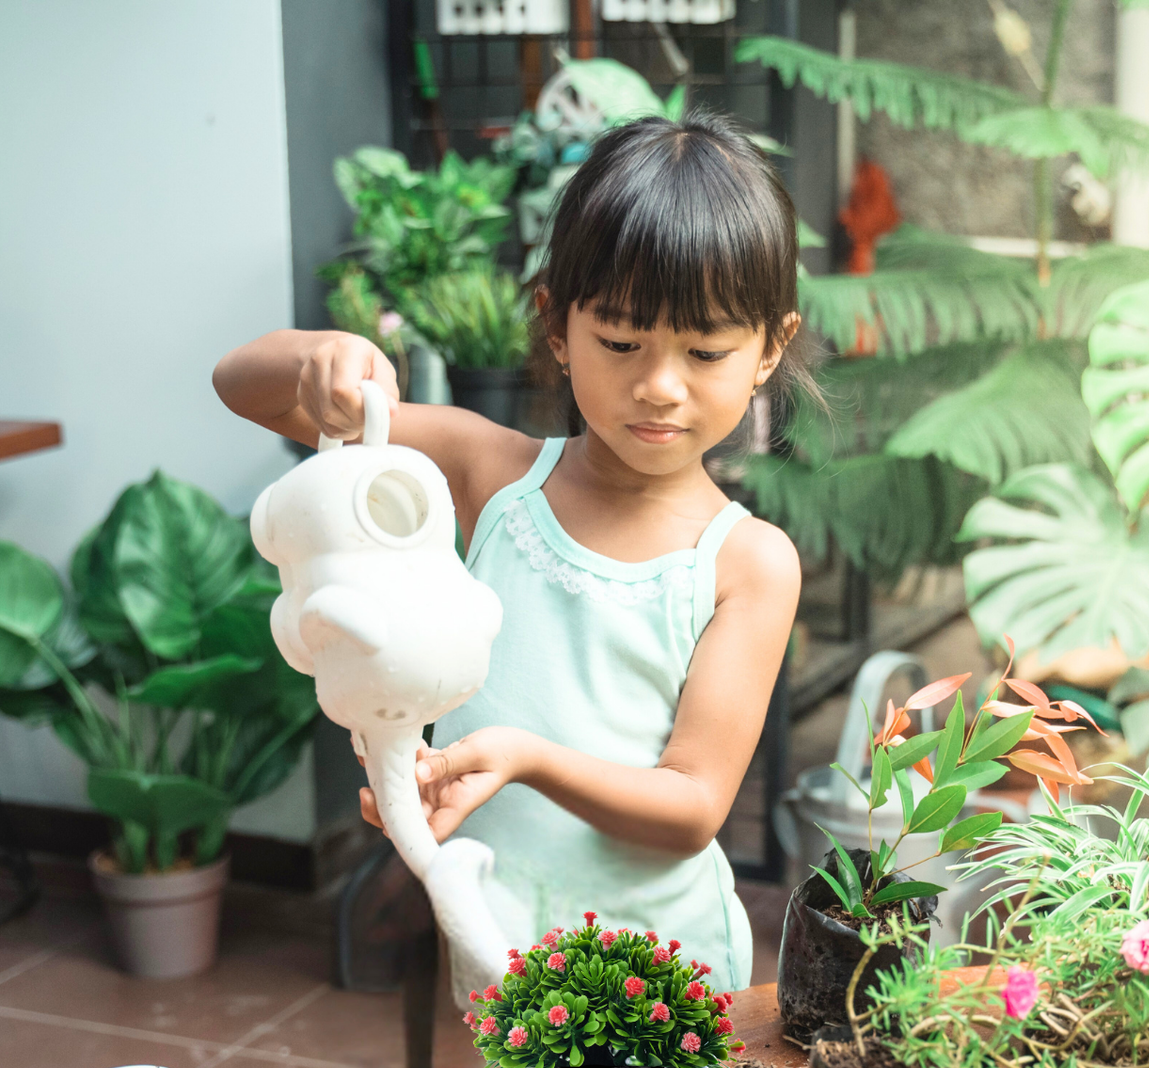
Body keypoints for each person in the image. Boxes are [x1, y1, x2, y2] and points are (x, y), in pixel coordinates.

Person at [213, 113, 810, 993]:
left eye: (706, 350)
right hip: (501, 930)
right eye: (619, 341)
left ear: (769, 349)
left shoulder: (745, 562)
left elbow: (691, 806)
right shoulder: (485, 472)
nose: (659, 384)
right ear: (556, 326)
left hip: (662, 964)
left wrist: (522, 758)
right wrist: (322, 355)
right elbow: (245, 388)